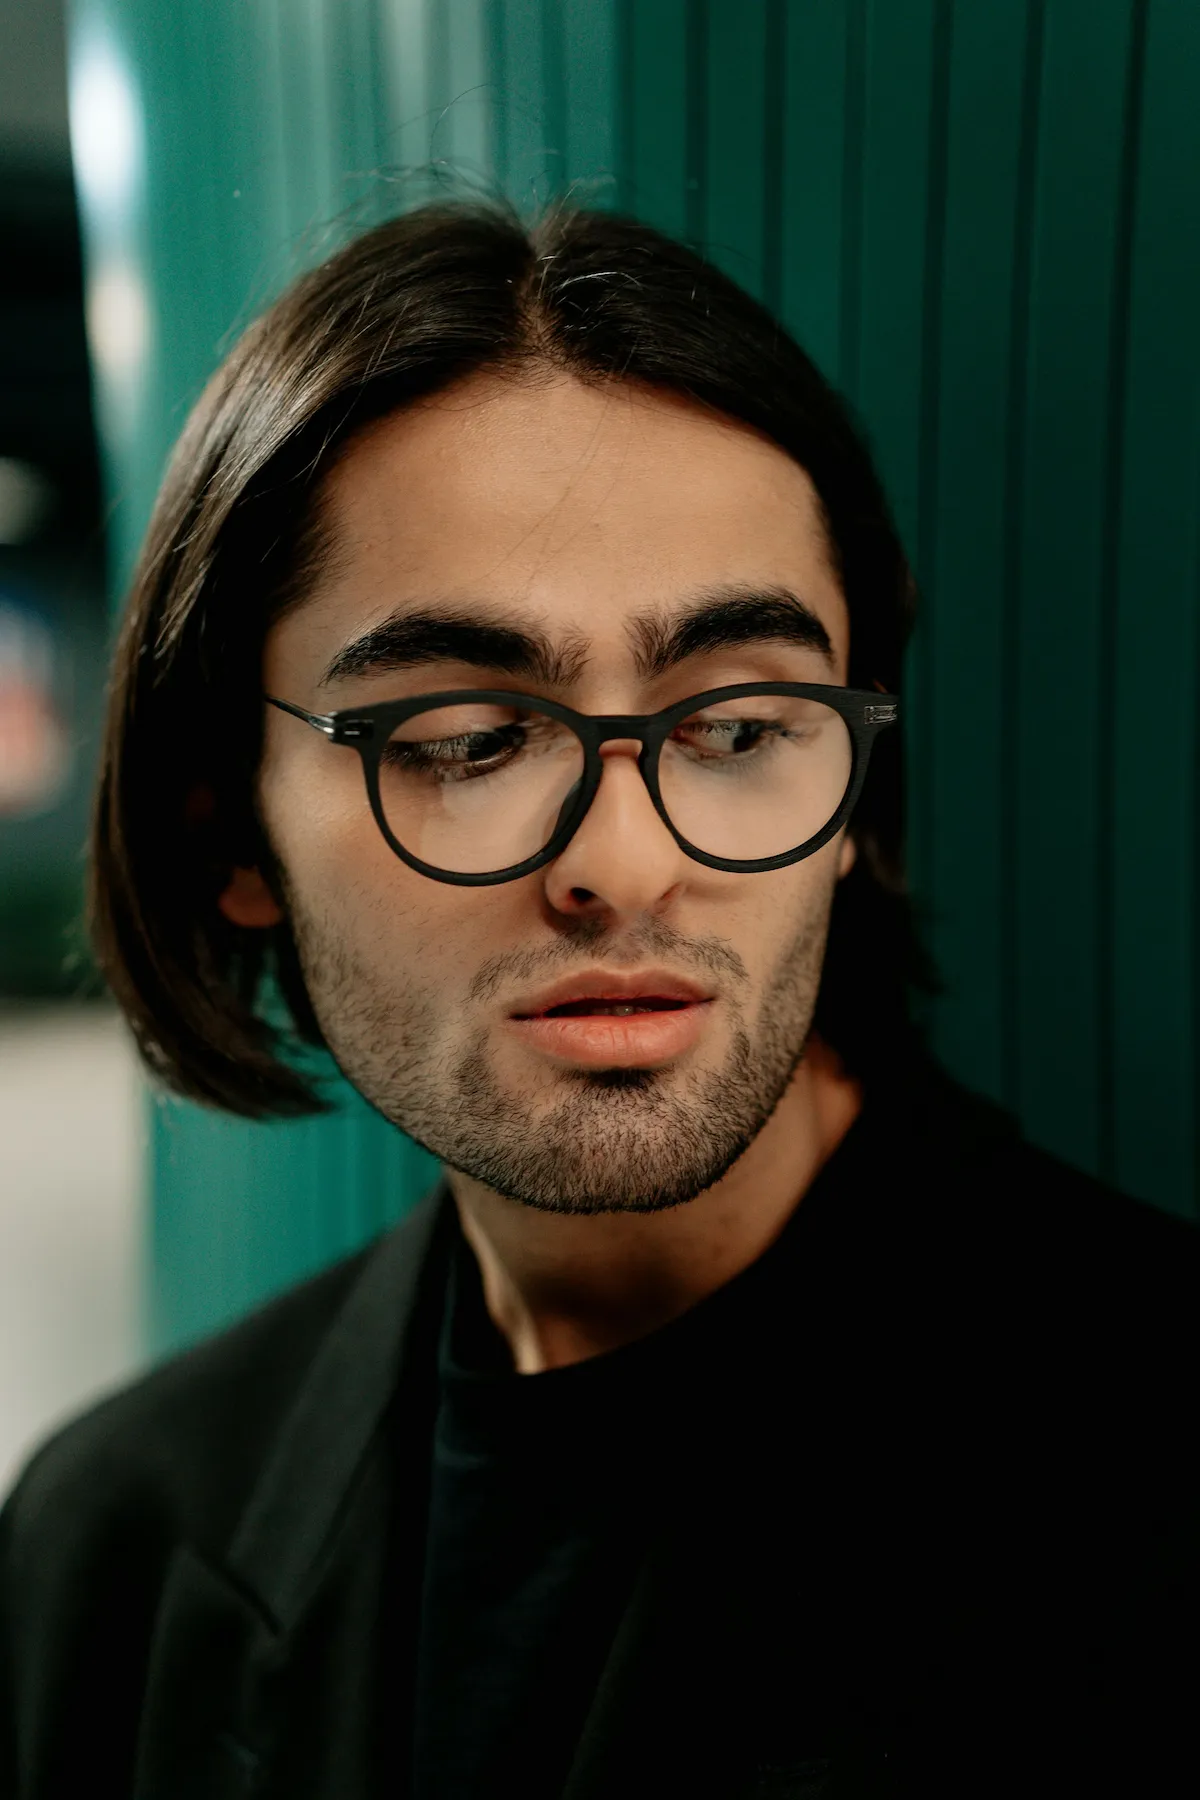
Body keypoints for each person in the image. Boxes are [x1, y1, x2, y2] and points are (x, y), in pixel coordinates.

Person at [1, 200, 1195, 1800]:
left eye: (741, 726)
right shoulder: (110, 1551)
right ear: (231, 834)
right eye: (467, 742)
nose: (626, 865)